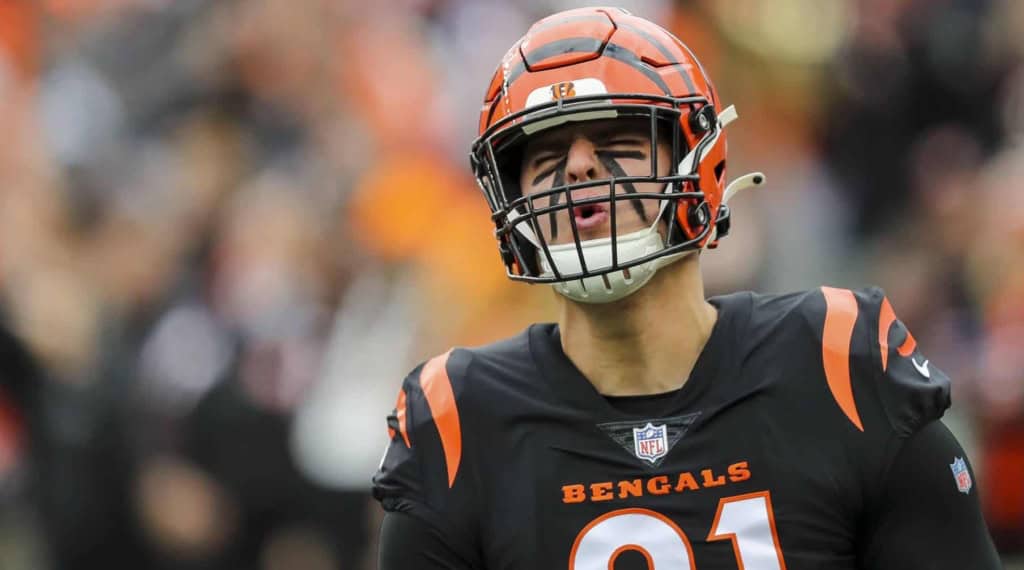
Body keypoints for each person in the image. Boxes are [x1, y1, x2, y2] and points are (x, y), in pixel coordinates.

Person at [372, 7, 1001, 568]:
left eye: (620, 140)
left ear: (701, 165)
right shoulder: (459, 423)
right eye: (543, 159)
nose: (579, 167)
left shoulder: (839, 365)